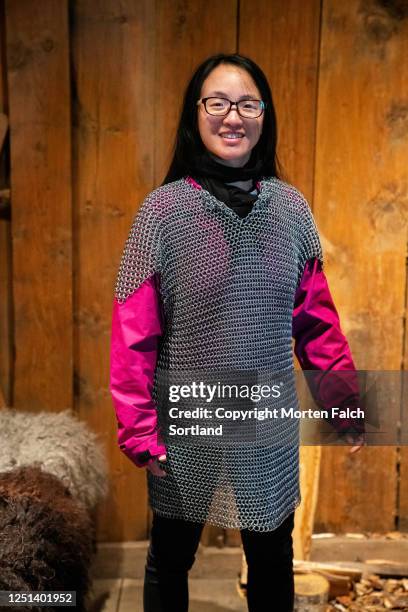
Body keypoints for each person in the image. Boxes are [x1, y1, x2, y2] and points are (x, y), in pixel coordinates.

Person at [109, 53, 365, 612]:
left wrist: (342, 401)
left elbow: (316, 320)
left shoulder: (290, 212)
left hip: (263, 414)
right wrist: (140, 428)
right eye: (218, 102)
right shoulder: (164, 213)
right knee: (171, 557)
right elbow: (134, 335)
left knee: (272, 556)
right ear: (195, 114)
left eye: (248, 103)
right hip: (188, 416)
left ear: (264, 115)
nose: (233, 116)